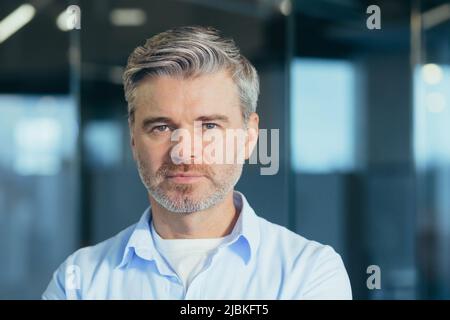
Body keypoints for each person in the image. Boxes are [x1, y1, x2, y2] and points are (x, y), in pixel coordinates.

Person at [43, 26, 352, 300]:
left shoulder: (308, 273)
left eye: (209, 126)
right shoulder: (78, 282)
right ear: (133, 138)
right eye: (161, 127)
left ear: (249, 136)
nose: (184, 153)